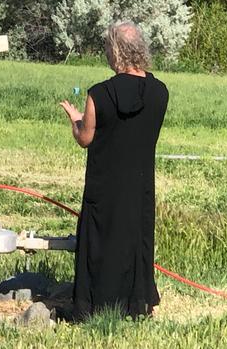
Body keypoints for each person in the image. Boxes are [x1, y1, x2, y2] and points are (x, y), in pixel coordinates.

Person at [59, 21, 169, 321]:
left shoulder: (100, 94)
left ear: (116, 51)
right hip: (140, 184)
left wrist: (76, 120)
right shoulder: (160, 93)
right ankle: (137, 304)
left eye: (108, 47)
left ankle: (93, 308)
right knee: (137, 241)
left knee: (99, 241)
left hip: (104, 183)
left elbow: (86, 138)